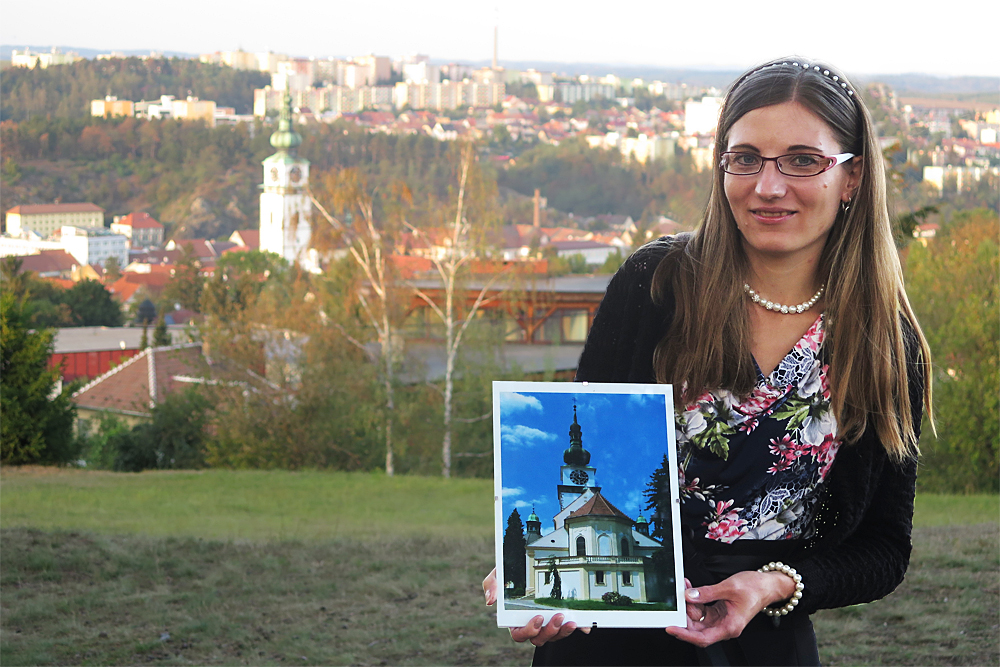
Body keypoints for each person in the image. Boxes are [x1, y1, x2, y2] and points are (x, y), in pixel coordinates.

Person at [482, 57, 933, 666]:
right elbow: (587, 437)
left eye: (803, 160)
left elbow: (883, 549)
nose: (768, 186)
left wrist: (776, 583)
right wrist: (537, 577)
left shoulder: (884, 341)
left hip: (762, 644)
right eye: (745, 158)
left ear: (851, 177)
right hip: (607, 642)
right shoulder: (657, 287)